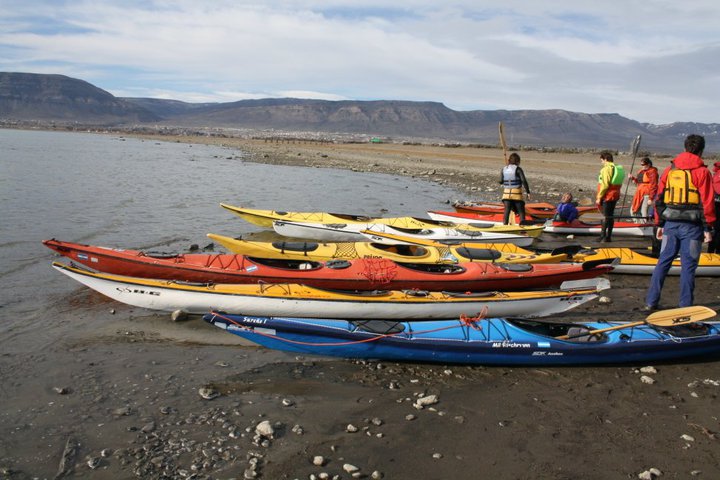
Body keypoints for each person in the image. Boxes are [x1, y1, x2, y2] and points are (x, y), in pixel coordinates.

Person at [644, 134, 716, 310]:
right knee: (688, 267)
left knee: (663, 262)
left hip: (670, 224)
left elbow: (659, 199)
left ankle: (650, 302)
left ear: (685, 147)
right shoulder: (703, 172)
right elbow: (707, 202)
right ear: (701, 150)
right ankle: (685, 306)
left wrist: (659, 224)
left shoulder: (670, 170)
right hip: (692, 228)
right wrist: (708, 228)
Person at [595, 150, 624, 242]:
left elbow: (605, 184)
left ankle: (602, 236)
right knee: (610, 216)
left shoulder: (606, 169)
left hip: (607, 196)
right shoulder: (615, 168)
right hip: (614, 195)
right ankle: (608, 236)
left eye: (602, 160)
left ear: (605, 159)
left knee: (605, 216)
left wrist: (599, 197)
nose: (601, 162)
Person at [499, 152, 530, 225]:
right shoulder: (518, 169)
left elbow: (500, 181)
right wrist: (528, 192)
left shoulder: (503, 169)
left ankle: (505, 226)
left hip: (506, 195)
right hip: (516, 195)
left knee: (507, 211)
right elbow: (524, 181)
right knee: (521, 212)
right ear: (518, 161)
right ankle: (523, 227)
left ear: (509, 161)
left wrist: (506, 179)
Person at [709, 161, 720, 254]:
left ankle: (710, 252)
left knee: (714, 229)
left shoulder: (716, 174)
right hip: (716, 204)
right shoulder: (717, 175)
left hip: (714, 204)